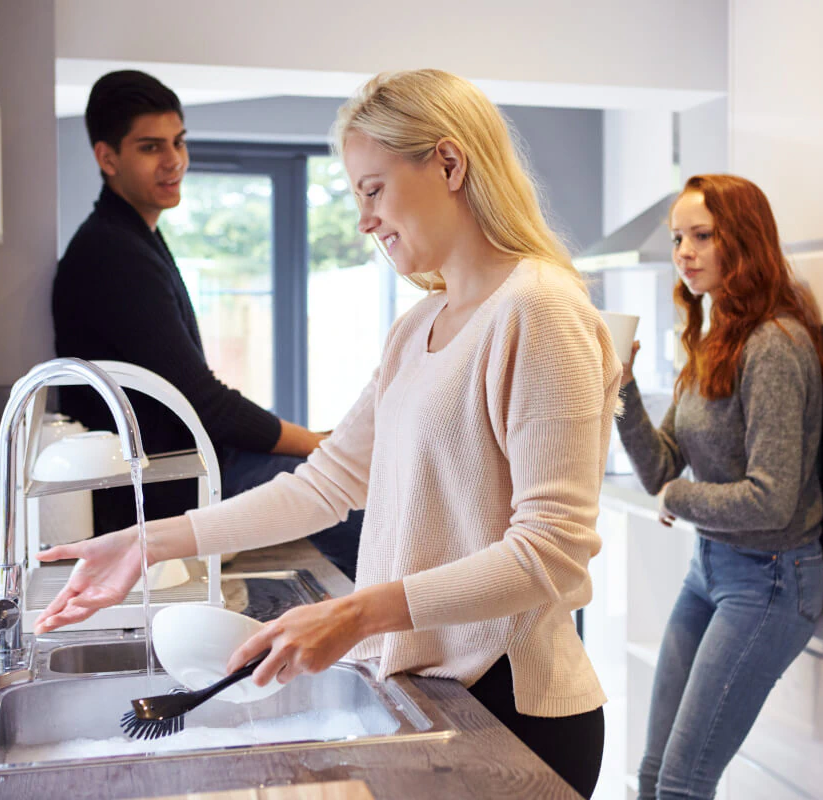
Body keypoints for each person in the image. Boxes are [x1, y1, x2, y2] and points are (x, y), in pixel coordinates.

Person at [36, 68, 620, 798]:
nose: (365, 219)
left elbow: (552, 554)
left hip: (513, 710)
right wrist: (147, 541)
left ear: (448, 163)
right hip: (432, 691)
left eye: (373, 189)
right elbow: (326, 482)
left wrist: (355, 612)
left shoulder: (540, 309)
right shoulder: (417, 328)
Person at [52, 70, 362, 579]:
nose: (174, 160)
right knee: (338, 493)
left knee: (339, 489)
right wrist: (314, 443)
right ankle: (418, 626)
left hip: (184, 472)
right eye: (151, 147)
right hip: (165, 487)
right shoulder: (113, 252)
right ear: (108, 158)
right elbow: (203, 400)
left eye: (177, 142)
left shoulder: (131, 238)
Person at [616, 174, 823, 800]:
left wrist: (679, 501)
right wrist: (621, 388)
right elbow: (660, 468)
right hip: (710, 568)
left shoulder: (773, 345)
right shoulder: (713, 340)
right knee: (655, 776)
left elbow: (770, 497)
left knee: (684, 784)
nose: (684, 252)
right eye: (679, 238)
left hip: (770, 579)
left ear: (741, 240)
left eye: (702, 236)